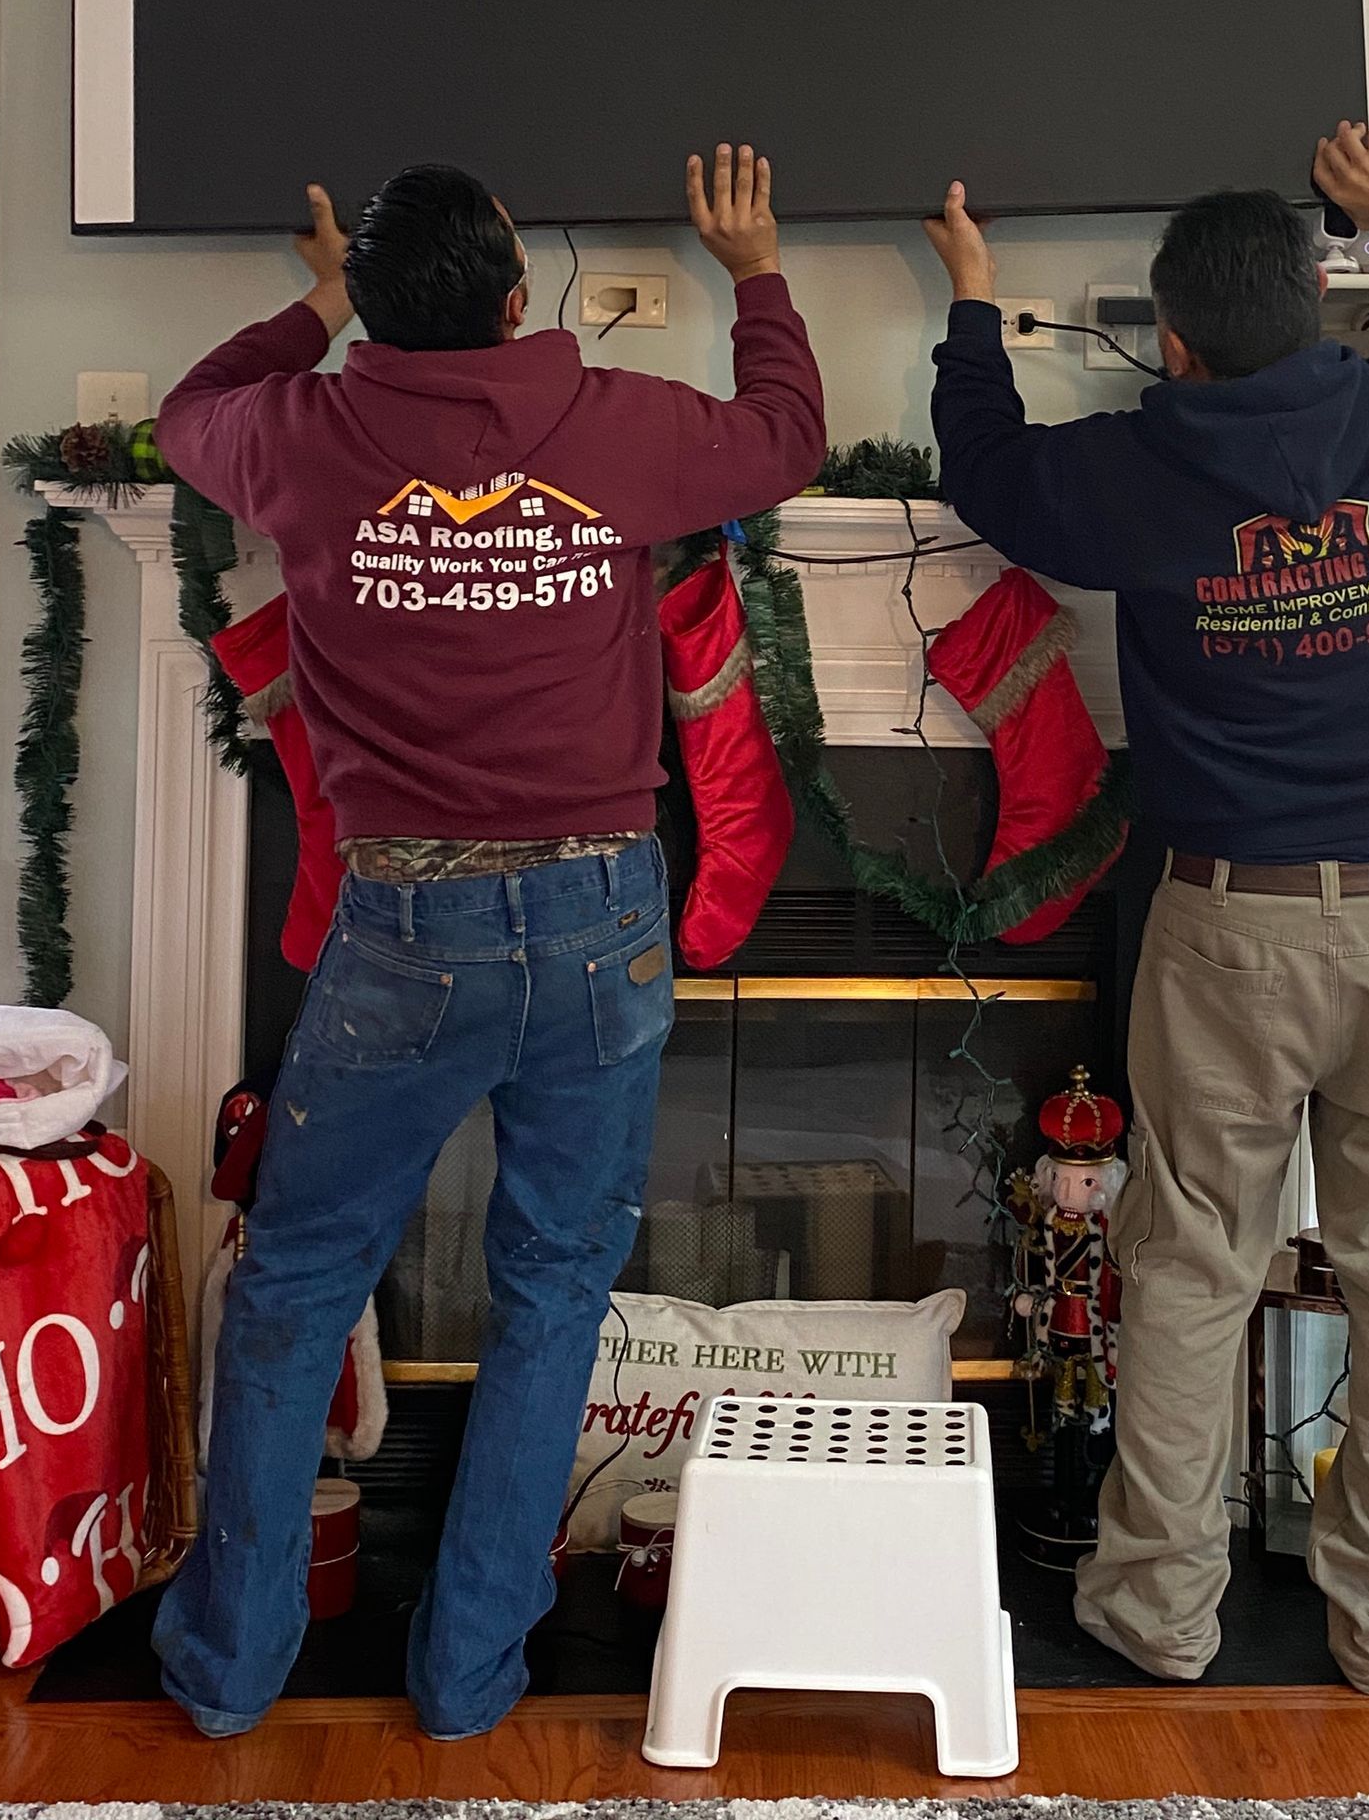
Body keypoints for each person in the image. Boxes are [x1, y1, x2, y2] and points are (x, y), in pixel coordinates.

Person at [921, 123, 1369, 1698]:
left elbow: (986, 468)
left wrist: (969, 300)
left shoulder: (1133, 468)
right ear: (1317, 295)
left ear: (1171, 342)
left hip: (1223, 929)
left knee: (1188, 1267)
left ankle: (1157, 1613)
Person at [151, 147, 824, 1740]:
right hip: (601, 921)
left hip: (402, 931)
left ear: (378, 306)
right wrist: (762, 271)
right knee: (552, 1291)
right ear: (522, 298)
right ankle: (467, 1681)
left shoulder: (301, 432)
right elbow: (790, 439)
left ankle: (229, 1674)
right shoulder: (614, 423)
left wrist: (314, 308)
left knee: (299, 1284)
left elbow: (187, 413)